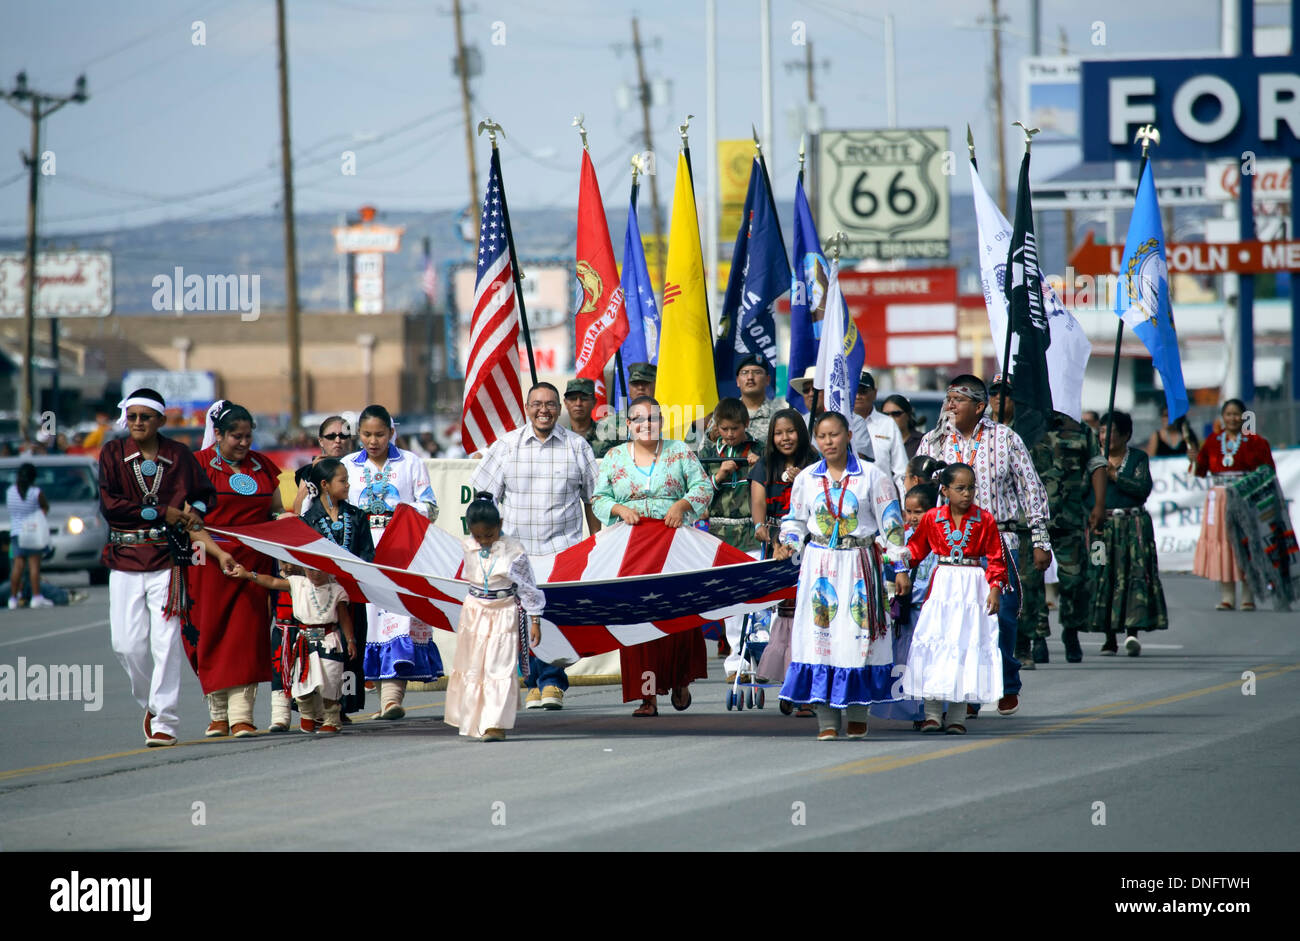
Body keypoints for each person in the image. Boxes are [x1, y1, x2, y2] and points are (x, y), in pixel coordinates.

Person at [916, 374, 1051, 717]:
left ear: (979, 406)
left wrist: (1039, 538)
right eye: (948, 399)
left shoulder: (1005, 439)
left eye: (957, 400)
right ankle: (967, 695)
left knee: (1002, 617)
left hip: (997, 542)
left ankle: (1006, 683)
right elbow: (917, 488)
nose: (950, 406)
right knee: (956, 622)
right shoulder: (934, 442)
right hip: (950, 550)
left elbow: (1031, 488)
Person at [773, 411, 906, 740]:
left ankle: (859, 712)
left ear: (848, 435)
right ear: (815, 440)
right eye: (822, 436)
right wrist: (788, 543)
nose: (828, 442)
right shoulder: (806, 478)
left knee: (857, 639)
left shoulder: (873, 476)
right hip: (819, 565)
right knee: (821, 641)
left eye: (834, 435)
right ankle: (827, 720)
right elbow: (795, 520)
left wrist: (899, 566)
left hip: (860, 564)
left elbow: (892, 525)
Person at [97, 389, 218, 746]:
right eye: (132, 417)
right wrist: (160, 511)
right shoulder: (112, 453)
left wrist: (195, 509)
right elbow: (110, 505)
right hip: (124, 558)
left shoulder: (178, 454)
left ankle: (166, 719)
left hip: (167, 559)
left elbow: (203, 492)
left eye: (145, 417)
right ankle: (149, 702)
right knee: (127, 644)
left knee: (165, 642)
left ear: (161, 421)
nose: (137, 423)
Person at [470, 381, 600, 711]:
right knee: (522, 618)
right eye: (537, 404)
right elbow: (483, 496)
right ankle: (531, 683)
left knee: (552, 615)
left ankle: (552, 682)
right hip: (516, 552)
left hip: (563, 549)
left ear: (560, 408)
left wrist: (597, 544)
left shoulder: (577, 446)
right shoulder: (507, 446)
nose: (544, 409)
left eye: (551, 404)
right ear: (527, 408)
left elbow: (593, 500)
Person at [591, 396, 712, 716]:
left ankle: (681, 680)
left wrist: (682, 505)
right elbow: (598, 499)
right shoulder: (615, 456)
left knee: (679, 616)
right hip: (631, 550)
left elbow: (703, 487)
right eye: (639, 419)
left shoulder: (680, 451)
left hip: (674, 546)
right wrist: (618, 509)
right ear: (628, 425)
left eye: (654, 419)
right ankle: (648, 696)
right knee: (638, 619)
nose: (647, 425)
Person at [990, 373, 1106, 666]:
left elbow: (1096, 465)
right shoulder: (1005, 434)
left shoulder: (1074, 429)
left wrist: (1099, 505)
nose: (1002, 399)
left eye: (1009, 393)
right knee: (1028, 584)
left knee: (1075, 580)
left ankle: (1071, 629)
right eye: (997, 393)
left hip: (1067, 518)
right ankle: (1033, 639)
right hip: (1027, 523)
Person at [187, 401, 284, 738]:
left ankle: (242, 715)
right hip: (209, 561)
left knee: (246, 634)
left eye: (247, 437)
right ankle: (217, 714)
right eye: (235, 437)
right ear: (217, 435)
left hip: (252, 566)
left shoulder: (263, 466)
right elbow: (190, 520)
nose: (243, 443)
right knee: (209, 631)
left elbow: (277, 513)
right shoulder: (198, 466)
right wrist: (219, 554)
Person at [889, 463, 1006, 734]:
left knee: (964, 645)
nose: (967, 494)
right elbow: (916, 548)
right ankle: (932, 714)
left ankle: (957, 717)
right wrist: (900, 567)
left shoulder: (984, 519)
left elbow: (996, 558)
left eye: (971, 488)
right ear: (945, 490)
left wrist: (995, 588)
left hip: (972, 586)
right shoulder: (932, 518)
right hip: (942, 586)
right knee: (935, 643)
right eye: (960, 488)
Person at [345, 403, 441, 718]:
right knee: (368, 623)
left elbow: (430, 506)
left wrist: (400, 515)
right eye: (367, 434)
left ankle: (392, 700)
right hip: (361, 556)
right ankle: (371, 697)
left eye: (380, 434)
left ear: (391, 432)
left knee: (398, 621)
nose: (373, 441)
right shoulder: (347, 465)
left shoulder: (411, 463)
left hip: (400, 554)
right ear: (358, 434)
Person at [444, 492, 546, 742]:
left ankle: (495, 724)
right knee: (474, 666)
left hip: (503, 611)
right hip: (474, 612)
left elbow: (528, 587)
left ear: (500, 525)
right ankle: (473, 719)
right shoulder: (468, 546)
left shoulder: (514, 551)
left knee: (497, 667)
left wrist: (535, 620)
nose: (483, 541)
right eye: (478, 536)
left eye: (488, 536)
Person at [231, 560, 357, 733]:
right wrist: (248, 575)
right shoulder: (298, 583)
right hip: (304, 640)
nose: (315, 573)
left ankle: (331, 720)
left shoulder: (337, 591)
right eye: (310, 569)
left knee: (330, 683)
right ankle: (307, 714)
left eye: (319, 569)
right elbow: (272, 582)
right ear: (304, 568)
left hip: (329, 640)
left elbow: (344, 618)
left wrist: (350, 640)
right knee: (301, 683)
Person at [1085, 411, 1167, 655]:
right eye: (1102, 431)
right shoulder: (1093, 460)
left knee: (1134, 574)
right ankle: (1108, 636)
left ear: (1126, 435)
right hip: (1103, 527)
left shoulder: (1138, 458)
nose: (1106, 437)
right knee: (1103, 575)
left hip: (1133, 525)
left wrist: (1114, 476)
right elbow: (1082, 492)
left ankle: (1132, 632)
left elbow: (1142, 489)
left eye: (1113, 432)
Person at [751, 409, 817, 709]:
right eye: (779, 433)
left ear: (800, 433)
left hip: (813, 548)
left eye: (790, 431)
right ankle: (791, 682)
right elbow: (759, 520)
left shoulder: (816, 462)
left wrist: (803, 478)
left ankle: (804, 687)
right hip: (777, 550)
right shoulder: (765, 464)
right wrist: (774, 540)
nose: (785, 438)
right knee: (788, 616)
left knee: (812, 616)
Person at [299, 458, 374, 724]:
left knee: (350, 648)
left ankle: (340, 707)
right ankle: (317, 705)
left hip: (351, 596)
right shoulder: (308, 520)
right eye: (342, 480)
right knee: (320, 650)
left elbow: (367, 555)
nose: (348, 484)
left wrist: (353, 573)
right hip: (321, 598)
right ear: (324, 485)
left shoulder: (357, 516)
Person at [698, 397, 761, 681]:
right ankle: (736, 662)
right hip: (721, 535)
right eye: (724, 428)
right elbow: (698, 497)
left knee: (758, 599)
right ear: (717, 427)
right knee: (732, 603)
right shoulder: (709, 451)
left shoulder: (759, 450)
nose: (730, 434)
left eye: (735, 428)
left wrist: (759, 466)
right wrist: (720, 474)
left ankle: (759, 659)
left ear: (746, 425)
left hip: (753, 533)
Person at [1192, 398, 1276, 611]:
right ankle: (1227, 595)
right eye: (1228, 414)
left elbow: (1268, 472)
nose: (1232, 418)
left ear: (1244, 417)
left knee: (1246, 543)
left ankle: (1249, 594)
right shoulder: (1212, 441)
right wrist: (1193, 459)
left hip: (1245, 497)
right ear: (1222, 417)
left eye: (1236, 414)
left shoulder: (1256, 442)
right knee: (1223, 544)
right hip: (1220, 499)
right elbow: (1200, 471)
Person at [871, 479, 942, 725]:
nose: (912, 518)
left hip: (929, 610)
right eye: (908, 512)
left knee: (929, 662)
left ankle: (932, 710)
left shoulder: (937, 540)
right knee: (906, 663)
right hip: (906, 613)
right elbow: (891, 569)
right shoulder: (901, 539)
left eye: (918, 512)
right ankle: (914, 712)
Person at [7, 463, 53, 609]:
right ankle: (36, 596)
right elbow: (45, 507)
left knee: (17, 566)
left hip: (16, 531)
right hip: (32, 531)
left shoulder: (10, 492)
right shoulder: (35, 492)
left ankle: (13, 598)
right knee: (34, 566)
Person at [705, 354, 777, 447]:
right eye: (745, 372)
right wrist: (712, 438)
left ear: (768, 380)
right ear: (737, 381)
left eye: (757, 372)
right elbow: (703, 451)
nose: (750, 377)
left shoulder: (778, 414)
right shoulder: (723, 411)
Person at [853, 372, 907, 492]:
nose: (857, 396)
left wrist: (904, 505)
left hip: (883, 495)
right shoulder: (840, 423)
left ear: (874, 393)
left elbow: (900, 470)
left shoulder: (887, 424)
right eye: (854, 391)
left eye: (863, 391)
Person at [291, 416, 353, 514]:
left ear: (349, 440)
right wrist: (315, 474)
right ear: (321, 441)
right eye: (331, 436)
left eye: (343, 436)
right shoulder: (310, 470)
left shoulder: (359, 466)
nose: (337, 440)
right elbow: (298, 509)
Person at [592, 362, 656, 457]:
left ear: (655, 385)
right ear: (629, 388)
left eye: (645, 383)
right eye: (635, 384)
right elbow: (599, 454)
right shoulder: (611, 424)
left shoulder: (671, 420)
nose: (640, 387)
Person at [562, 378, 601, 452]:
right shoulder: (558, 437)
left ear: (594, 402)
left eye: (584, 399)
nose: (578, 404)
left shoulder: (609, 437)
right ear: (565, 403)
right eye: (573, 399)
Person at [881, 394, 924, 459]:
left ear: (908, 415)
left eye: (896, 414)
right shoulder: (876, 441)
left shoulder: (923, 441)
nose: (890, 418)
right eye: (885, 414)